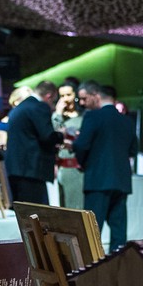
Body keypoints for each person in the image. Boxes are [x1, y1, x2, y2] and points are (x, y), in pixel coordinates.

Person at [73, 82, 138, 253]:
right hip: (121, 181)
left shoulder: (92, 117)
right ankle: (118, 265)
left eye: (85, 98)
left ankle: (93, 267)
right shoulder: (127, 121)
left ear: (96, 96)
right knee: (119, 232)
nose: (82, 103)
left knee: (92, 233)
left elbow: (81, 145)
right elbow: (133, 150)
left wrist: (83, 163)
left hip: (97, 179)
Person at [5, 81, 64, 205]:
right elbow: (47, 136)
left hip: (15, 169)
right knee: (36, 211)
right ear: (49, 96)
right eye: (53, 101)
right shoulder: (39, 107)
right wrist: (61, 135)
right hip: (31, 170)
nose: (52, 105)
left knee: (23, 211)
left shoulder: (21, 107)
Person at [53, 79, 84, 209]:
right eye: (62, 96)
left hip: (77, 168)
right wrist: (58, 114)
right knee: (63, 205)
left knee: (75, 205)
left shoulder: (83, 116)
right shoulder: (57, 116)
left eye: (68, 95)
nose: (65, 99)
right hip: (61, 167)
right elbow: (53, 134)